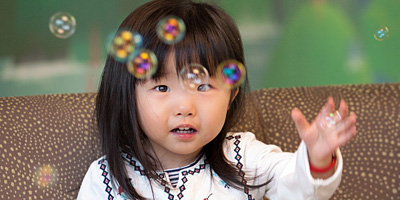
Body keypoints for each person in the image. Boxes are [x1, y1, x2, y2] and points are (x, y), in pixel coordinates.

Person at [77, 0, 357, 199]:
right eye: (161, 88)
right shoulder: (106, 179)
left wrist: (317, 158)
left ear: (231, 94)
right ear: (128, 96)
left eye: (203, 87)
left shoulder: (244, 157)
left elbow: (297, 188)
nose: (184, 108)